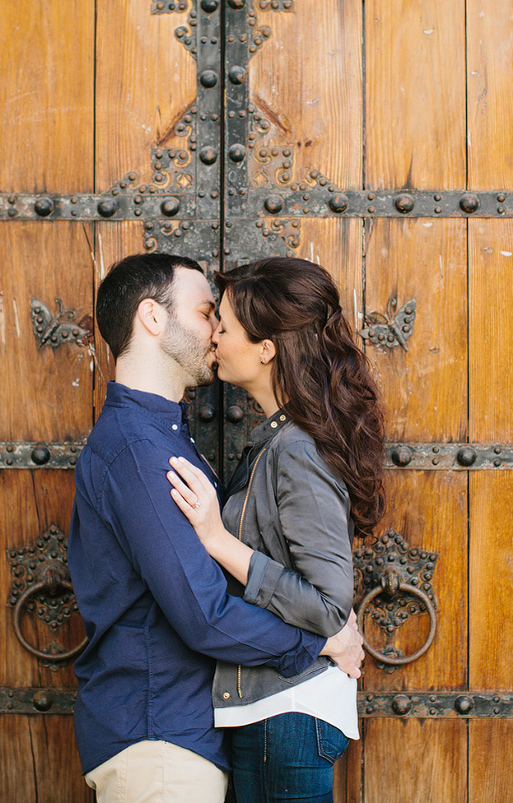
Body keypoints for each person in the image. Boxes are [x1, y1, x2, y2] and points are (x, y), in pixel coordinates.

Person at [68, 253, 365, 803]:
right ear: (153, 319)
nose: (216, 330)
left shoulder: (169, 441)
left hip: (182, 738)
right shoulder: (138, 449)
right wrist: (321, 642)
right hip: (159, 738)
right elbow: (204, 615)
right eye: (207, 312)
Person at [165, 257, 386, 803]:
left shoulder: (297, 450)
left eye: (227, 325)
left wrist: (218, 539)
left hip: (287, 718)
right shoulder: (278, 440)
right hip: (275, 713)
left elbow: (329, 606)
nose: (214, 334)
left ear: (266, 349)